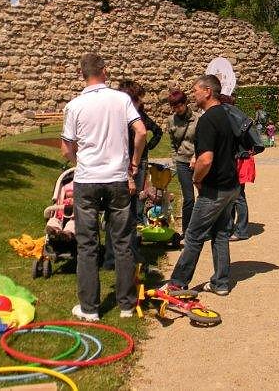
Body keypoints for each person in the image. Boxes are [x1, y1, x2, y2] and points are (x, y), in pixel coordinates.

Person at [60, 53, 146, 321]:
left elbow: (66, 148)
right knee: (122, 243)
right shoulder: (121, 99)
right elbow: (141, 131)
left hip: (87, 180)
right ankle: (126, 305)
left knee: (87, 245)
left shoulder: (74, 105)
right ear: (105, 72)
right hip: (117, 179)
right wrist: (132, 164)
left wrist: (79, 162)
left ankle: (90, 308)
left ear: (81, 74)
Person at [164, 75, 240, 296]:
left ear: (208, 91)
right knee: (220, 233)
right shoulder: (227, 115)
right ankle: (221, 283)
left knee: (195, 235)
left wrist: (197, 178)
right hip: (231, 185)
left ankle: (177, 284)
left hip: (215, 188)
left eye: (196, 90)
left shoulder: (207, 120)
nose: (193, 94)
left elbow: (205, 159)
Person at [102, 80, 162, 270]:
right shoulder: (127, 116)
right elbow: (142, 133)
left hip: (118, 167)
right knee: (126, 212)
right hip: (125, 168)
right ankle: (123, 256)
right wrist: (134, 164)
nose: (139, 105)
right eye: (138, 100)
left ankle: (116, 256)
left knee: (118, 213)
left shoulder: (114, 115)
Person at [166, 89, 199, 240]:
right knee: (189, 198)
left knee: (205, 196)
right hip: (181, 162)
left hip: (197, 161)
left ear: (185, 103)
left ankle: (203, 227)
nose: (177, 109)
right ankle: (187, 230)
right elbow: (172, 144)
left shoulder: (197, 119)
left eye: (179, 106)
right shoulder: (171, 120)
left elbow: (202, 141)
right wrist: (175, 160)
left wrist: (196, 156)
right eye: (174, 107)